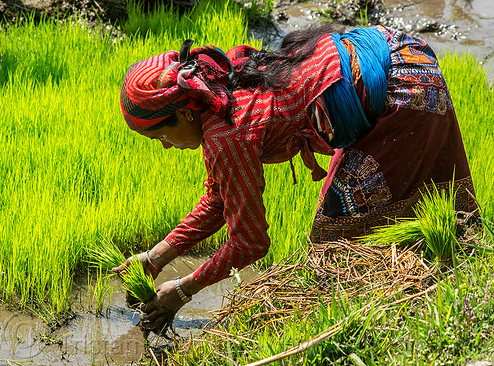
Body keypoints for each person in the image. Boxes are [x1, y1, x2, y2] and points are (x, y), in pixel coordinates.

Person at [113, 24, 478, 334]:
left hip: (403, 90)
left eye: (159, 136)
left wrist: (182, 289)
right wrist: (157, 256)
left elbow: (250, 244)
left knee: (336, 242)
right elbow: (220, 198)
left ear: (183, 113)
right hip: (400, 50)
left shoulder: (226, 136)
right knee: (378, 216)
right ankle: (428, 289)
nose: (164, 147)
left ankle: (374, 325)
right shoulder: (219, 96)